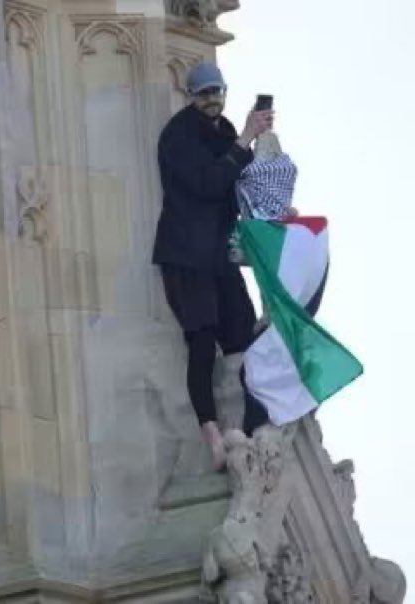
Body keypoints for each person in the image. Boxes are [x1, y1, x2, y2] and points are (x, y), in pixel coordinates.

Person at [152, 62, 274, 470]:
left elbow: (237, 189)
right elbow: (207, 183)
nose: (211, 100)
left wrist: (276, 207)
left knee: (245, 339)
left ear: (224, 91)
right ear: (191, 95)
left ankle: (252, 426)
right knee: (202, 345)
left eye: (215, 92)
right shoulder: (178, 135)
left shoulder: (223, 132)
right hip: (185, 256)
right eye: (203, 94)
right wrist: (244, 139)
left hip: (219, 258)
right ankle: (214, 440)